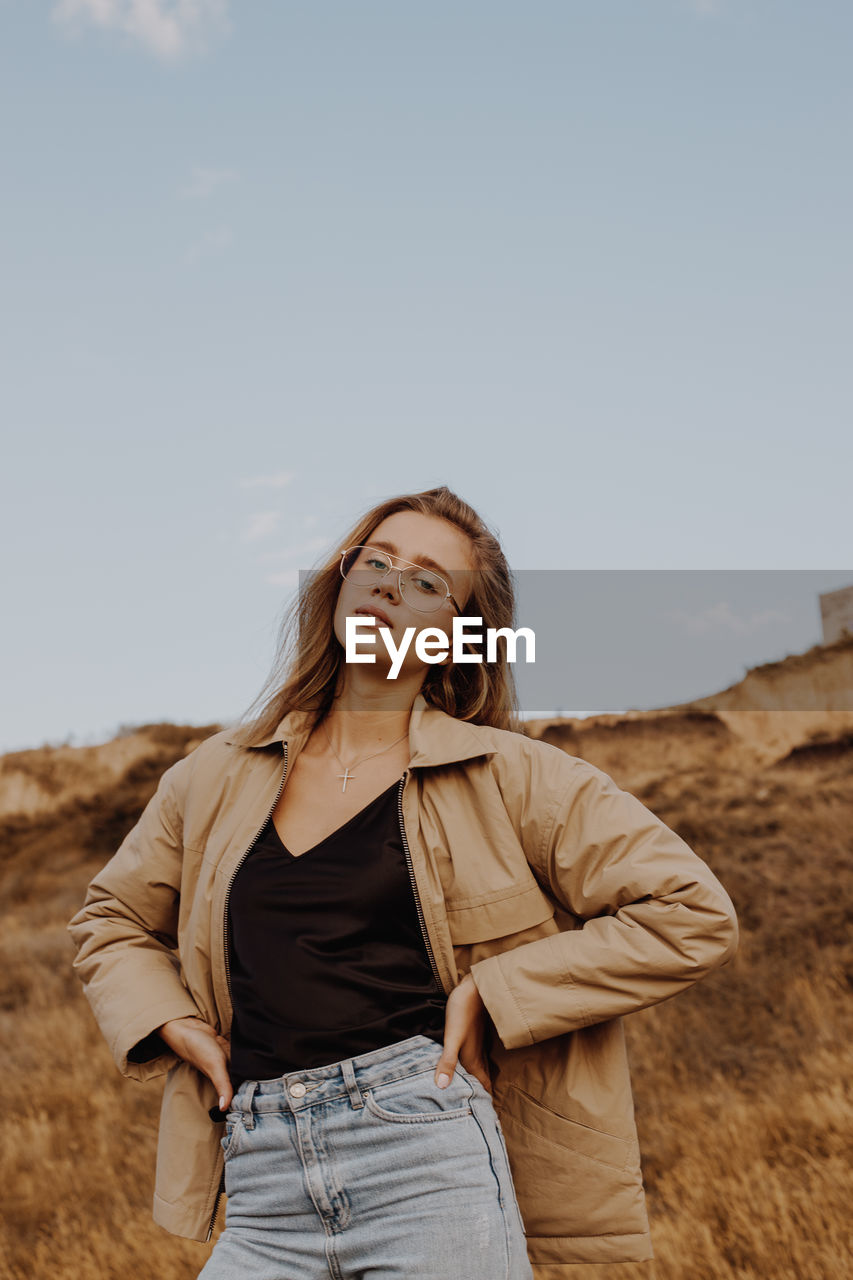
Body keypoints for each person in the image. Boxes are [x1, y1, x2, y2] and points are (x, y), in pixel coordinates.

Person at [68, 485, 738, 1278]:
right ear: (340, 584)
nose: (389, 584)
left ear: (461, 635)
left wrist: (496, 988)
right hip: (260, 1175)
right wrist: (170, 1020)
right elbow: (109, 917)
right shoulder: (211, 776)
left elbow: (690, 910)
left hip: (427, 1158)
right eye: (375, 562)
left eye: (427, 580)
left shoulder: (513, 775)